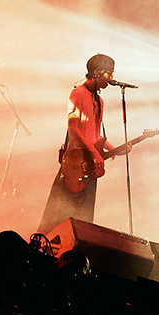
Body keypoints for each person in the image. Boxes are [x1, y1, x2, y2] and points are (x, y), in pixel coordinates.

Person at [38, 53, 129, 233]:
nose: (111, 77)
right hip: (73, 165)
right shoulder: (77, 94)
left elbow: (95, 136)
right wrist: (94, 153)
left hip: (90, 167)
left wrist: (115, 149)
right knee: (57, 216)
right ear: (96, 72)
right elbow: (73, 129)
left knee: (82, 220)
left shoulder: (99, 101)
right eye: (108, 73)